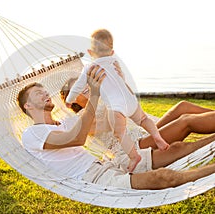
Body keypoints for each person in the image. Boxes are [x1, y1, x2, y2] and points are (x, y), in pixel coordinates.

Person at [18, 65, 215, 190]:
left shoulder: (67, 123)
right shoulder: (32, 133)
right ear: (28, 106)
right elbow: (76, 139)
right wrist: (94, 95)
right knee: (165, 176)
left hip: (108, 165)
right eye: (38, 93)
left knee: (179, 137)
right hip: (92, 177)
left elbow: (117, 118)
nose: (45, 94)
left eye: (45, 91)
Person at [65, 29, 169, 172]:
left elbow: (78, 86)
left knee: (119, 132)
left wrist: (69, 99)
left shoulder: (90, 68)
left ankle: (134, 156)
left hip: (116, 105)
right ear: (112, 51)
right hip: (130, 99)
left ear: (90, 52)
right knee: (144, 119)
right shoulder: (114, 61)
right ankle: (157, 136)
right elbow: (120, 80)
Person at [60, 77, 215, 154]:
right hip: (134, 147)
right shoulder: (82, 117)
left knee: (182, 106)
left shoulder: (101, 99)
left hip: (143, 134)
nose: (84, 88)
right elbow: (108, 125)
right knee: (185, 121)